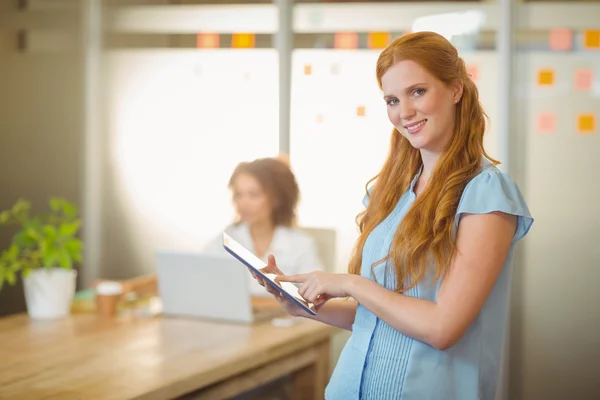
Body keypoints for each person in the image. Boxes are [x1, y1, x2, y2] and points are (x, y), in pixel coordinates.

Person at [251, 31, 534, 399]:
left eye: (418, 91)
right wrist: (303, 307)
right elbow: (374, 318)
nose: (404, 112)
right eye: (392, 100)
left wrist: (350, 283)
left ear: (455, 90)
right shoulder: (389, 192)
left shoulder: (485, 193)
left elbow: (442, 328)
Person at [203, 157, 323, 297]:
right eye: (238, 195)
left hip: (287, 319)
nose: (243, 203)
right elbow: (201, 282)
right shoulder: (226, 240)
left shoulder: (301, 244)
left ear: (276, 199)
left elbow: (316, 298)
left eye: (253, 195)